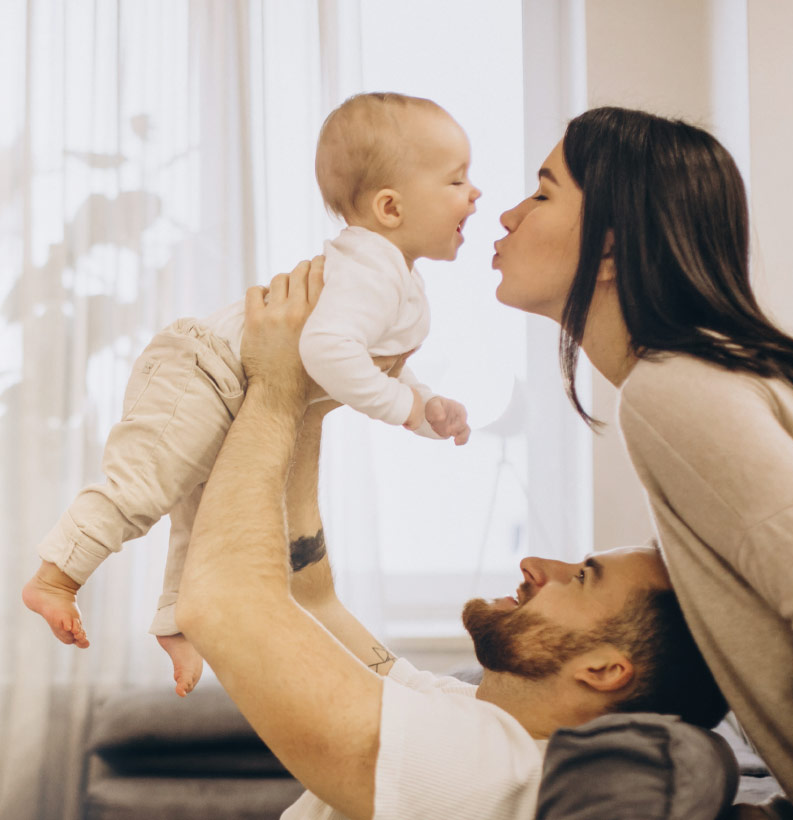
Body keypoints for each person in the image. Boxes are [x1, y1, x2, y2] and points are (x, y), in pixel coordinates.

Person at [176, 257, 727, 820]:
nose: (537, 564)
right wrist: (312, 405)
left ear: (605, 669)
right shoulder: (468, 713)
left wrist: (274, 390)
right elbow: (312, 601)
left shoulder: (486, 771)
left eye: (582, 578)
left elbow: (219, 605)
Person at [21, 92, 475, 696]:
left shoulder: (397, 278)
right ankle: (55, 578)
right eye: (457, 180)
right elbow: (326, 352)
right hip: (202, 368)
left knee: (205, 516)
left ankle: (176, 619)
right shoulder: (373, 270)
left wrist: (424, 407)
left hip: (235, 387)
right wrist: (404, 408)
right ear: (390, 206)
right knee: (143, 487)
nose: (474, 195)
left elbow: (368, 360)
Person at [492, 106, 793, 813]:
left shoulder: (676, 390)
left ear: (608, 249)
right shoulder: (718, 377)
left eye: (542, 193)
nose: (507, 215)